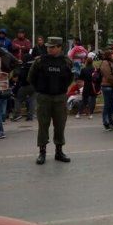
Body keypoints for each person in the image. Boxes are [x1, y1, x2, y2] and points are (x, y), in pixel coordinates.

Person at [28, 36, 74, 165]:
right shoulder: (40, 61)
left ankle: (59, 151)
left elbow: (71, 77)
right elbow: (31, 78)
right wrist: (40, 89)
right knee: (43, 125)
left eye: (52, 47)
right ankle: (42, 152)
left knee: (60, 125)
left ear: (60, 47)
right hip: (44, 97)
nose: (49, 49)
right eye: (48, 47)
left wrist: (62, 88)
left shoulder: (66, 62)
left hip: (60, 97)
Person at [99, 49, 113, 131]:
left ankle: (112, 122)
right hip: (108, 86)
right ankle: (106, 122)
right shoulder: (105, 63)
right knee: (107, 105)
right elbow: (108, 76)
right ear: (109, 55)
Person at [12, 53, 37, 121]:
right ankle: (30, 115)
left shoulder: (24, 66)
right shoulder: (35, 65)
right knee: (32, 101)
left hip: (25, 85)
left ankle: (17, 115)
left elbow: (21, 77)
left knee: (18, 99)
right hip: (35, 86)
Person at [77, 53, 100, 119]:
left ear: (86, 62)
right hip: (93, 86)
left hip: (86, 86)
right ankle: (91, 114)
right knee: (92, 100)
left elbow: (81, 78)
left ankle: (79, 113)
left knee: (84, 100)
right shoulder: (95, 69)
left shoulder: (84, 69)